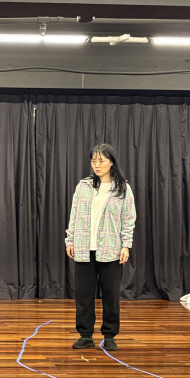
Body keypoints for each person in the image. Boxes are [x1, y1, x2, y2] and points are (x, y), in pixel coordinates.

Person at [65, 143, 136, 351]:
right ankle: (85, 335)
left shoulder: (122, 189)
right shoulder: (83, 186)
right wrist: (70, 240)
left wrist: (126, 245)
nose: (96, 165)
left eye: (101, 161)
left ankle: (110, 335)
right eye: (93, 161)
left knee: (111, 295)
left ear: (111, 162)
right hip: (84, 249)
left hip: (111, 250)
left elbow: (128, 219)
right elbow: (74, 215)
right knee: (84, 295)